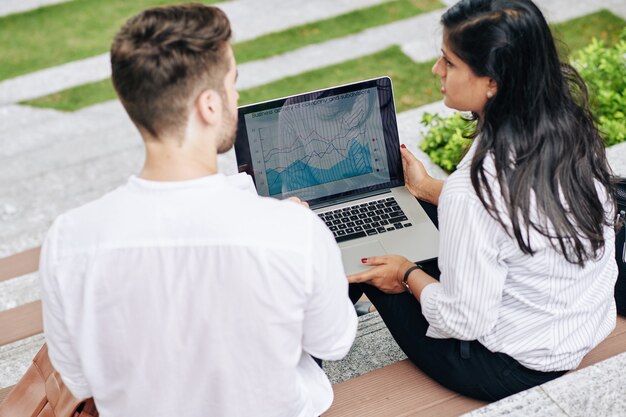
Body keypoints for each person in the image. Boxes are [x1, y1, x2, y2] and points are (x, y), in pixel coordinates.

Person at [39, 5, 357, 417]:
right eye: (233, 84)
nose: (236, 97)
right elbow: (333, 343)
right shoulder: (294, 232)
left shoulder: (68, 240)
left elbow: (78, 380)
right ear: (209, 105)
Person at [348, 0, 618, 401]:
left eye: (449, 62)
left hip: (507, 367)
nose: (437, 71)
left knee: (362, 252)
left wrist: (405, 274)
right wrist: (424, 188)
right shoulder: (567, 125)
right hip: (580, 324)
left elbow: (463, 319)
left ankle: (310, 348)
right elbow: (510, 217)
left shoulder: (473, 189)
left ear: (491, 81)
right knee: (410, 208)